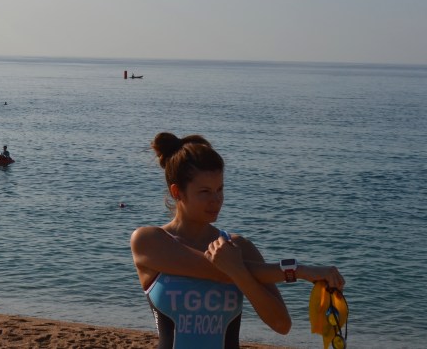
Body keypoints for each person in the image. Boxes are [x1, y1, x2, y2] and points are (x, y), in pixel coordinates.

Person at [130, 133, 344, 348]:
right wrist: (298, 270)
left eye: (220, 189)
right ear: (177, 192)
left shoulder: (239, 247)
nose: (216, 200)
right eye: (204, 191)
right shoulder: (149, 241)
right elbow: (216, 270)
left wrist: (240, 272)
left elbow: (281, 324)